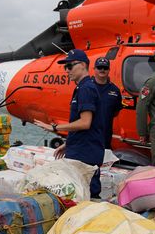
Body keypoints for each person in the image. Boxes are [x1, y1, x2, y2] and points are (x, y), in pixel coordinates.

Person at [34, 49, 104, 198]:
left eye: (70, 66)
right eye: (65, 67)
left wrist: (54, 127)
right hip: (80, 148)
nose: (67, 70)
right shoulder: (81, 88)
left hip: (85, 154)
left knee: (85, 197)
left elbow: (85, 123)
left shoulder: (86, 89)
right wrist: (69, 143)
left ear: (83, 65)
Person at [92, 57, 123, 149]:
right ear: (94, 69)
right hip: (88, 134)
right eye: (99, 67)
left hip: (105, 135)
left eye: (105, 68)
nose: (102, 70)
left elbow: (116, 111)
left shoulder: (115, 90)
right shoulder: (86, 87)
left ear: (109, 70)